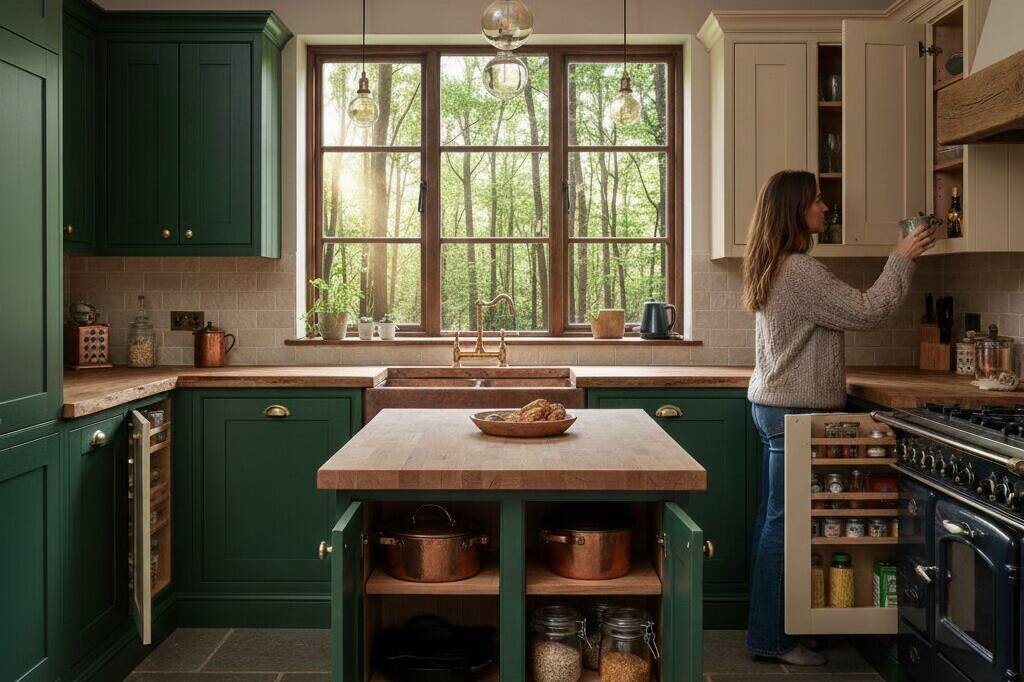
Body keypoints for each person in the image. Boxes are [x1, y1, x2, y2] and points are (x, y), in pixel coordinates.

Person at [741, 170, 935, 665]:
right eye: (817, 200)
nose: (826, 208)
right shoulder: (801, 273)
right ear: (795, 210)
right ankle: (772, 639)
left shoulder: (775, 264)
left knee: (772, 522)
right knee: (782, 528)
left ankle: (772, 632)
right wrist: (902, 257)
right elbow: (870, 309)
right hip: (794, 410)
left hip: (772, 405)